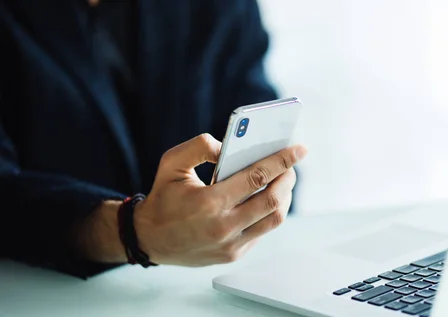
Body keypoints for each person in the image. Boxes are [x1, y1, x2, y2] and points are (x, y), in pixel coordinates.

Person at [0, 0, 306, 278]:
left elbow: (254, 116)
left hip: (207, 288)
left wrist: (265, 195)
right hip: (38, 300)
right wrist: (133, 231)